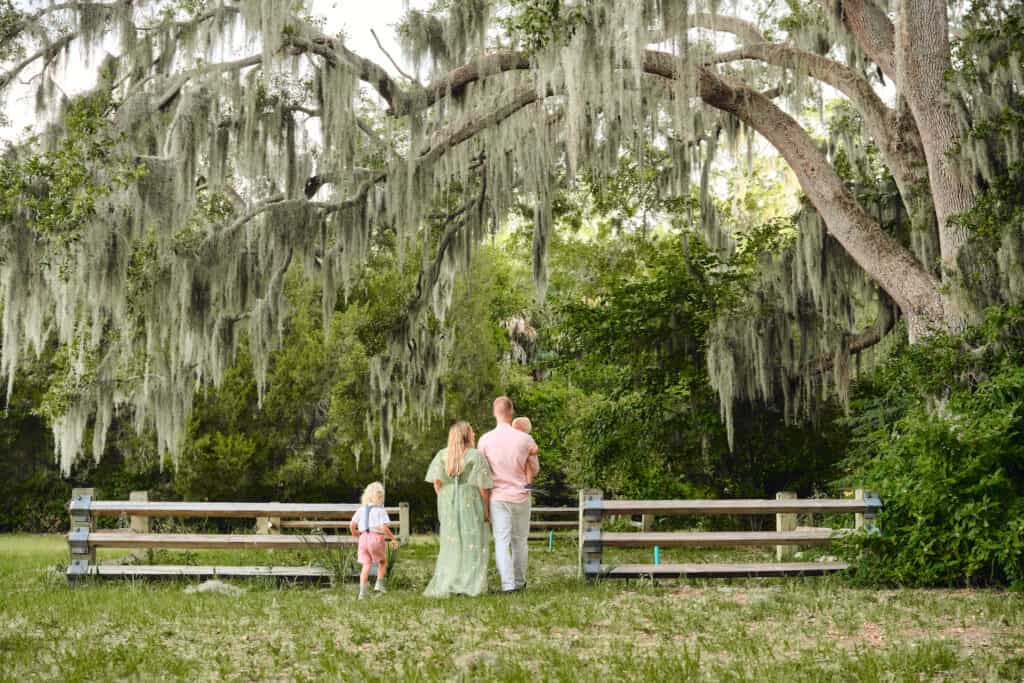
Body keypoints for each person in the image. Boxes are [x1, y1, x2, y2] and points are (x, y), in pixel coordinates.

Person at [423, 421, 494, 597]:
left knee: (451, 541)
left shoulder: (442, 455)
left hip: (449, 500)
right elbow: (484, 486)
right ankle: (469, 582)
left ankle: (451, 580)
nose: (475, 434)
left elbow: (436, 482)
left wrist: (445, 498)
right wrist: (486, 509)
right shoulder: (475, 455)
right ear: (466, 435)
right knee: (473, 540)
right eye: (472, 431)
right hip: (470, 498)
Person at [478, 396, 539, 593]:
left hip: (498, 497)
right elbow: (534, 469)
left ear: (494, 413)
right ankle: (520, 582)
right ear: (511, 412)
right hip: (521, 495)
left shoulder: (485, 440)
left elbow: (482, 473)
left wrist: (484, 502)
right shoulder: (525, 439)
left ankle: (508, 585)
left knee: (502, 542)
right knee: (520, 540)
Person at [349, 481, 399, 600]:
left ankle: (362, 593)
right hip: (375, 538)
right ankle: (379, 584)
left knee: (366, 565)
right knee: (382, 562)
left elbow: (352, 524)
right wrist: (393, 539)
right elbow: (384, 528)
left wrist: (355, 533)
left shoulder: (362, 509)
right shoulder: (380, 510)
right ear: (381, 497)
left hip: (363, 538)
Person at [511, 416, 539, 490]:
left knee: (528, 464)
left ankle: (529, 484)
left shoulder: (524, 438)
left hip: (517, 463)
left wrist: (531, 452)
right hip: (520, 463)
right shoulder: (526, 438)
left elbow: (535, 449)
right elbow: (535, 449)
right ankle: (529, 484)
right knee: (528, 466)